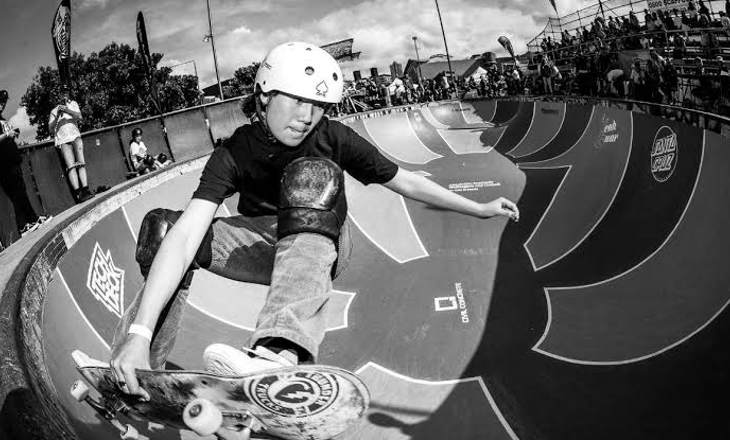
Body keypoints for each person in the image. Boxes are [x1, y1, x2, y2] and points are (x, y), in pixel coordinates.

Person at [109, 42, 520, 399]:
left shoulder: (333, 136)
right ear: (264, 95)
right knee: (165, 230)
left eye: (317, 105)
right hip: (262, 248)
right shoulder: (232, 154)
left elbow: (405, 181)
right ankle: (140, 368)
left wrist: (479, 208)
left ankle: (280, 353)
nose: (307, 115)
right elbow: (184, 240)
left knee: (312, 177)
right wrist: (137, 336)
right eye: (297, 100)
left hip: (324, 246)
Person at [0, 90, 50, 236]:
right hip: (3, 164)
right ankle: (24, 225)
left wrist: (12, 134)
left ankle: (32, 220)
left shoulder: (2, 118)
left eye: (4, 103)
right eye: (0, 102)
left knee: (21, 191)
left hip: (13, 160)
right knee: (16, 194)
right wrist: (6, 135)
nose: (2, 105)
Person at [49, 86, 93, 202]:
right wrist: (58, 115)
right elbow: (50, 128)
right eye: (62, 93)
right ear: (58, 95)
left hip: (75, 137)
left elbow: (79, 116)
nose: (64, 95)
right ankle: (78, 194)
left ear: (68, 94)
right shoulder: (54, 111)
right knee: (71, 166)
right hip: (63, 140)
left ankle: (86, 189)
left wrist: (66, 110)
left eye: (66, 92)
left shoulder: (73, 104)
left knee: (81, 163)